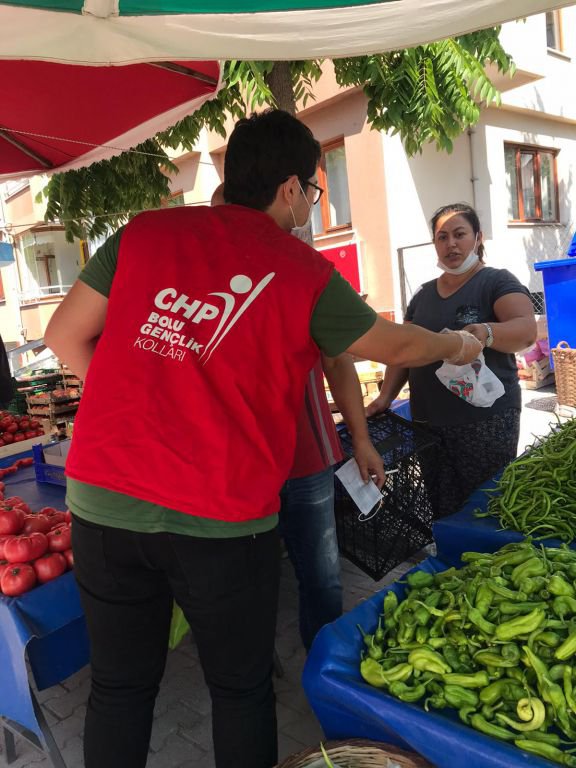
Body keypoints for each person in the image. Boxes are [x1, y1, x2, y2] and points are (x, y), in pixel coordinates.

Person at [44, 111, 482, 768]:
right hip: (219, 516)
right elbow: (392, 342)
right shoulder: (299, 269)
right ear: (289, 189)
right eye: (314, 189)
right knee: (239, 690)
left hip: (102, 501)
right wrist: (459, 342)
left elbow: (63, 337)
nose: (312, 202)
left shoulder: (144, 233)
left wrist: (147, 398)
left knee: (119, 686)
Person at [210, 182, 384, 651]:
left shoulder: (298, 275)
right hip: (234, 469)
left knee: (323, 579)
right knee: (245, 581)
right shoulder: (205, 290)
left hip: (306, 460)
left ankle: (325, 667)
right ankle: (253, 666)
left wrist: (362, 440)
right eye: (220, 221)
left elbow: (338, 360)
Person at [367, 202, 537, 519]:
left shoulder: (495, 281)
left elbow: (526, 330)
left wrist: (485, 333)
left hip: (485, 421)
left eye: (460, 234)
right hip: (429, 422)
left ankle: (488, 564)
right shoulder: (422, 295)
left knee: (484, 506)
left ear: (478, 237)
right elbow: (404, 350)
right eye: (442, 237)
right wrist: (385, 397)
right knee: (442, 505)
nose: (451, 244)